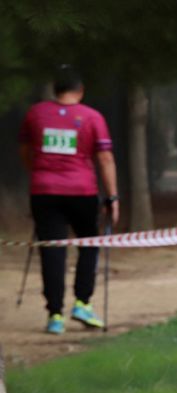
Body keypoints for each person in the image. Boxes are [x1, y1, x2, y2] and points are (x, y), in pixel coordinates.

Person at [18, 65, 119, 334]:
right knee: (89, 243)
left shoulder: (36, 113)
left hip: (44, 192)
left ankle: (55, 316)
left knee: (52, 250)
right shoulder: (92, 117)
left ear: (55, 89)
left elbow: (27, 151)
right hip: (81, 192)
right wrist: (112, 197)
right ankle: (83, 303)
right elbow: (105, 158)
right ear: (80, 91)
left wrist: (40, 173)